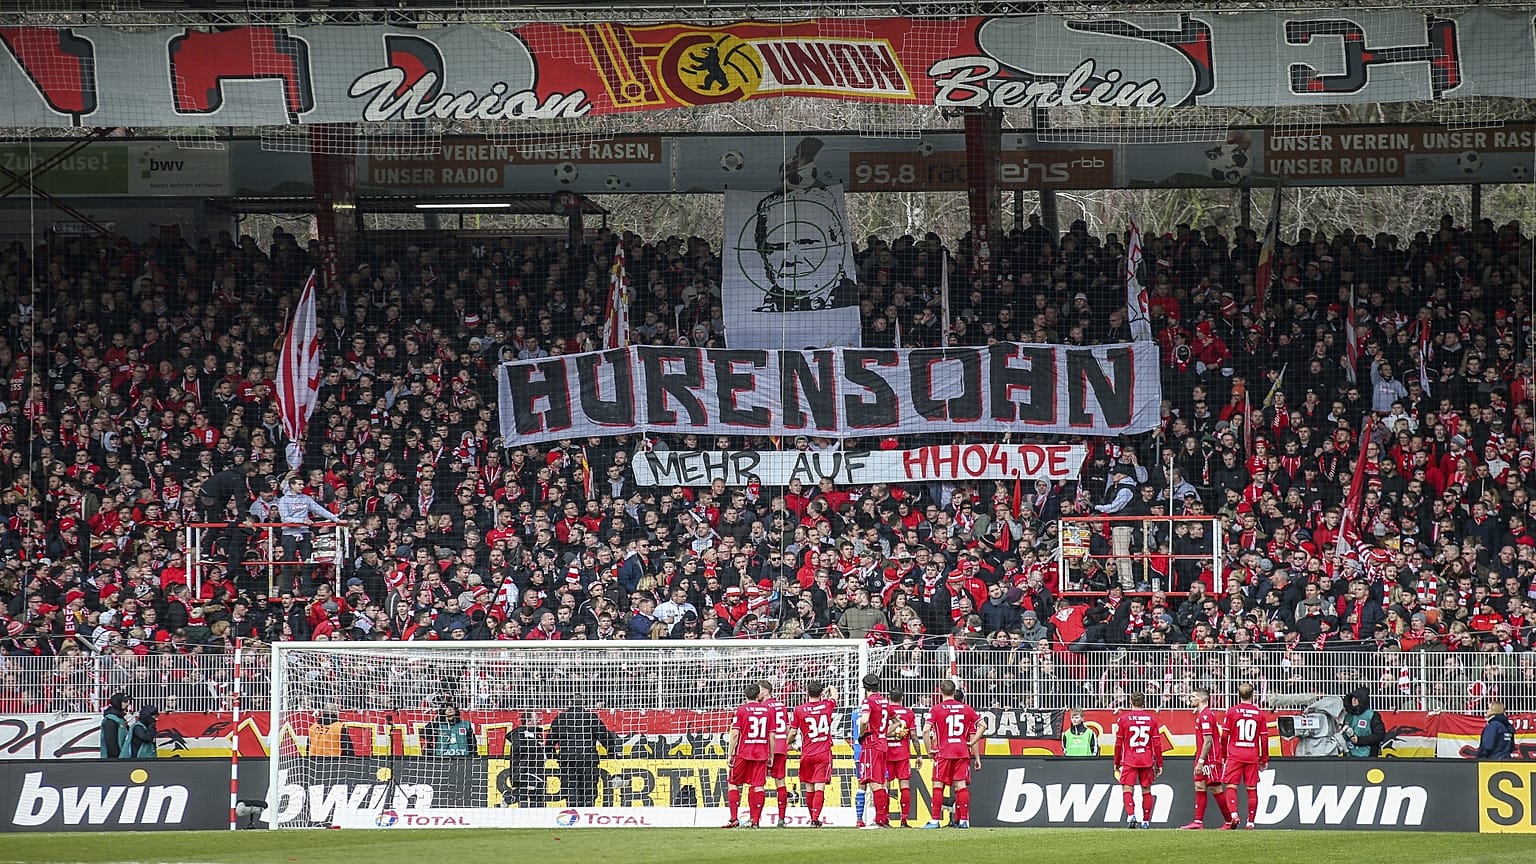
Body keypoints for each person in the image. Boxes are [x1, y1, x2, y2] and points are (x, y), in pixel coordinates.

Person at [924, 680, 982, 830]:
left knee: (938, 784)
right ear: (954, 690)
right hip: (962, 751)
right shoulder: (966, 709)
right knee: (961, 785)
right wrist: (972, 742)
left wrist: (929, 749)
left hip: (944, 752)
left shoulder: (936, 709)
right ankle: (964, 820)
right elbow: (983, 725)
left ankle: (935, 820)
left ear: (940, 692)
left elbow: (925, 730)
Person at [547, 698, 618, 808]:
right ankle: (587, 816)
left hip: (568, 760)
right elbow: (604, 736)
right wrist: (612, 752)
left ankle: (574, 817)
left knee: (571, 790)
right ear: (583, 704)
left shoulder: (561, 718)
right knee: (588, 791)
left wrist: (552, 755)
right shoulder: (590, 717)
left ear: (569, 703)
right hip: (588, 759)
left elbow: (551, 740)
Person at [724, 682, 775, 828]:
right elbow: (772, 736)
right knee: (758, 786)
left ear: (745, 695)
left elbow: (735, 734)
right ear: (759, 695)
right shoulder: (768, 710)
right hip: (761, 754)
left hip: (743, 752)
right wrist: (771, 755)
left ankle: (734, 819)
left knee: (733, 783)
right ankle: (755, 821)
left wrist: (730, 754)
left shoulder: (740, 710)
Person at [1181, 686, 1233, 829]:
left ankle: (1229, 821)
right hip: (1203, 758)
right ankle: (1198, 821)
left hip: (1210, 758)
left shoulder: (1205, 716)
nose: (1191, 699)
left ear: (1202, 698)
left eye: (1193, 696)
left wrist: (1201, 762)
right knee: (1199, 786)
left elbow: (1208, 740)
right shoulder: (1202, 715)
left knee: (1215, 789)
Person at [1220, 682, 1270, 830]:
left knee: (1231, 786)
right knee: (1252, 788)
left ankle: (1234, 815)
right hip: (1251, 754)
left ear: (1238, 694)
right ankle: (1251, 822)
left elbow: (1224, 736)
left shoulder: (1232, 712)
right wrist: (1264, 758)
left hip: (1235, 754)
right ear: (1253, 695)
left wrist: (1224, 755)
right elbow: (1264, 738)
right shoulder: (1259, 713)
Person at [789, 679, 837, 827]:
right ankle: (815, 819)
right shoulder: (827, 705)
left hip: (807, 752)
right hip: (823, 752)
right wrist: (830, 687)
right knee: (819, 787)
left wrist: (787, 743)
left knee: (809, 787)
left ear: (806, 692)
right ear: (821, 693)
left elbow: (793, 732)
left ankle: (813, 818)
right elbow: (835, 695)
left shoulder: (799, 710)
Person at [276, 474, 338, 586]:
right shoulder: (283, 500)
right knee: (288, 561)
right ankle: (287, 589)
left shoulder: (306, 498)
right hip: (289, 534)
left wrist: (336, 519)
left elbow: (320, 510)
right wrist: (302, 520)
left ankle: (307, 588)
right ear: (292, 485)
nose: (302, 486)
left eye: (302, 484)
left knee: (308, 561)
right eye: (299, 484)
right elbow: (285, 518)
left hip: (304, 533)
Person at [1113, 692, 1163, 829]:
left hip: (1130, 759)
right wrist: (1159, 764)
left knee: (1127, 788)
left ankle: (1131, 815)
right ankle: (1146, 821)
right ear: (1144, 702)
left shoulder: (1124, 719)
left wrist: (1116, 763)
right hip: (1146, 759)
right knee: (1146, 790)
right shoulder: (1151, 720)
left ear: (1130, 702)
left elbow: (1118, 744)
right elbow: (1157, 744)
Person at [855, 673, 890, 828]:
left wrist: (862, 734)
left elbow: (864, 720)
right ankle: (882, 818)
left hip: (871, 746)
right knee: (881, 783)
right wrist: (884, 732)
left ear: (865, 688)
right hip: (882, 744)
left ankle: (880, 820)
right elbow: (897, 722)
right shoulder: (885, 701)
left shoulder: (868, 701)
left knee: (874, 783)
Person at [758, 679, 792, 827]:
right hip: (781, 746)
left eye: (759, 690)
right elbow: (788, 726)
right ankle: (782, 818)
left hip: (767, 747)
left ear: (765, 691)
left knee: (758, 783)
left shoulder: (763, 707)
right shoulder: (782, 706)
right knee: (780, 781)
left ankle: (755, 818)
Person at [883, 687, 919, 827]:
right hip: (902, 754)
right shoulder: (909, 714)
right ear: (902, 698)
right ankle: (904, 819)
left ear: (888, 697)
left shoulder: (884, 713)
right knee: (904, 785)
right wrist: (919, 755)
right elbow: (914, 736)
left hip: (886, 753)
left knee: (885, 786)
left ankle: (884, 818)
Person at [1341, 687, 1387, 758]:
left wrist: (1360, 740)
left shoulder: (1372, 715)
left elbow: (1380, 735)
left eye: (1356, 698)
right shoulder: (1348, 716)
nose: (1354, 700)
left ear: (1362, 699)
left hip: (1368, 757)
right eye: (1352, 697)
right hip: (1348, 756)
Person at [100, 692, 133, 759]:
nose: (128, 704)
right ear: (117, 702)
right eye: (125, 701)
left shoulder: (119, 718)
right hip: (115, 760)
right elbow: (111, 744)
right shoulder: (110, 720)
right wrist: (116, 760)